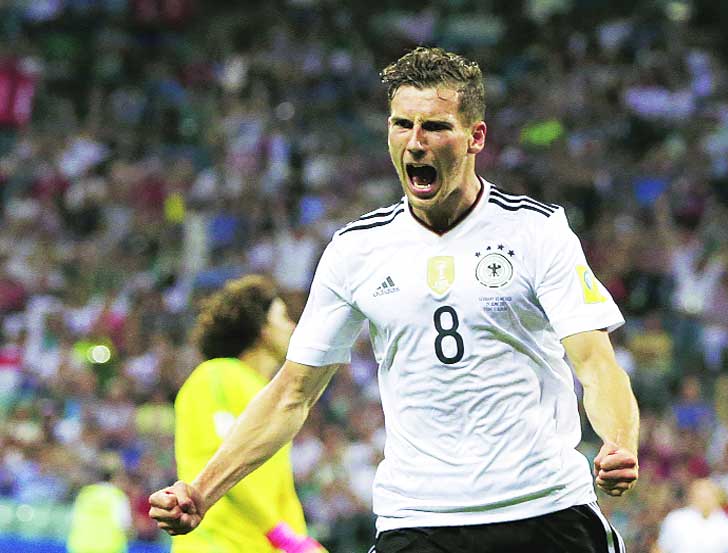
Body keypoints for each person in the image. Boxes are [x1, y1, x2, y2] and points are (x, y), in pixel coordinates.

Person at [149, 47, 640, 553]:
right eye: (402, 125)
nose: (416, 143)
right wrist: (201, 491)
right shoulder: (356, 250)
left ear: (476, 137)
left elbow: (596, 365)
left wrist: (619, 443)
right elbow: (292, 393)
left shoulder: (536, 231)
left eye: (435, 127)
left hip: (544, 510)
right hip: (419, 520)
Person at [171, 275, 324, 553]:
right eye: (283, 317)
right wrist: (282, 535)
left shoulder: (269, 394)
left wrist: (298, 539)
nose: (292, 327)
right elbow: (222, 464)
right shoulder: (215, 376)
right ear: (261, 327)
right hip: (215, 546)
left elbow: (280, 487)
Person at [654, 478, 728, 553]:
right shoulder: (675, 519)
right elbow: (661, 548)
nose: (704, 501)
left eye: (708, 497)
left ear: (718, 498)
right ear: (691, 497)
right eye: (699, 496)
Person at [67, 468, 131, 553]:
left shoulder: (85, 493)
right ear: (114, 479)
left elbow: (74, 518)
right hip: (109, 547)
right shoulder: (117, 495)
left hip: (81, 545)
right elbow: (124, 523)